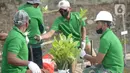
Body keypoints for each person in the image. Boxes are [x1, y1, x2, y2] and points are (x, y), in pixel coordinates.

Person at [18, 0, 45, 68]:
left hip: (21, 42)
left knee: (25, 67)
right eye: (37, 4)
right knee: (37, 67)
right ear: (35, 4)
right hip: (33, 43)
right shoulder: (36, 11)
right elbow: (41, 27)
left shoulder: (20, 9)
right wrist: (41, 35)